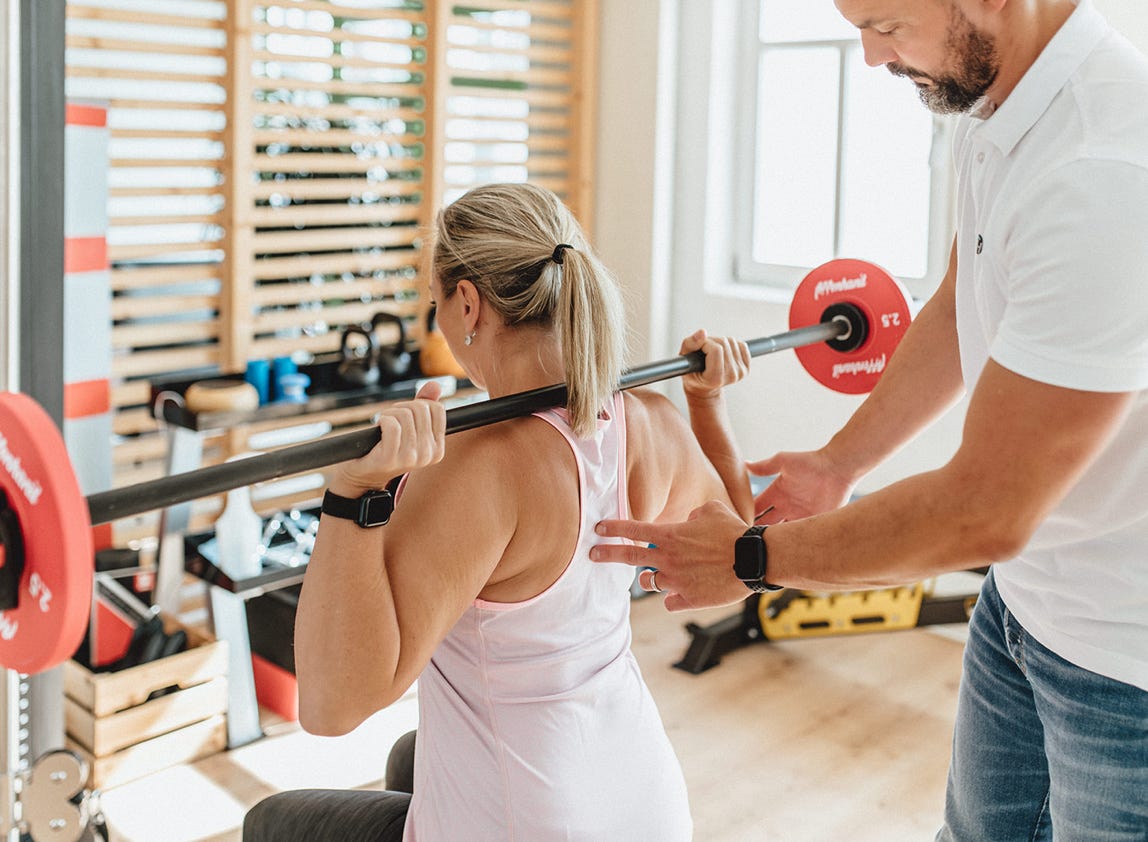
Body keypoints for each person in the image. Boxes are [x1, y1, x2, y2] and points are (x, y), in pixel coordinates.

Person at [592, 1, 1148, 838]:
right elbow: (968, 292)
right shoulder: (996, 104)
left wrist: (754, 557)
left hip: (1124, 663)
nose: (870, 57)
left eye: (885, 24)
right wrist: (840, 463)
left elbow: (984, 511)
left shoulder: (1105, 169)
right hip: (1025, 608)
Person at [243, 181, 755, 841]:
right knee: (411, 753)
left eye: (435, 304)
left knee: (271, 823)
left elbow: (332, 705)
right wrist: (708, 405)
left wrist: (354, 495)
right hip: (646, 807)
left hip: (537, 824)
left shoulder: (476, 468)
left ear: (466, 303)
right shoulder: (649, 421)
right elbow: (738, 561)